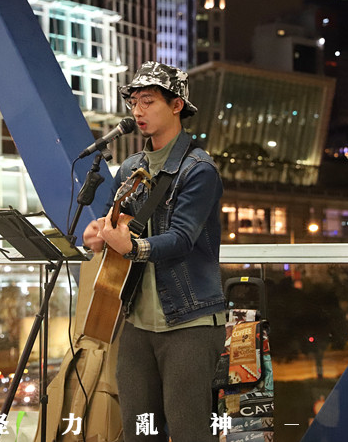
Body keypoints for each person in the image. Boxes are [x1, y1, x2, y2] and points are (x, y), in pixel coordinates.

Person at [82, 61, 225, 442]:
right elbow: (116, 224)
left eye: (148, 101)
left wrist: (131, 245)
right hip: (136, 322)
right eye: (133, 103)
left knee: (189, 432)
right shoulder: (130, 167)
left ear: (177, 105)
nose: (138, 111)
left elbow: (181, 239)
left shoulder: (199, 169)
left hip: (189, 323)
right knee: (139, 432)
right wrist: (98, 233)